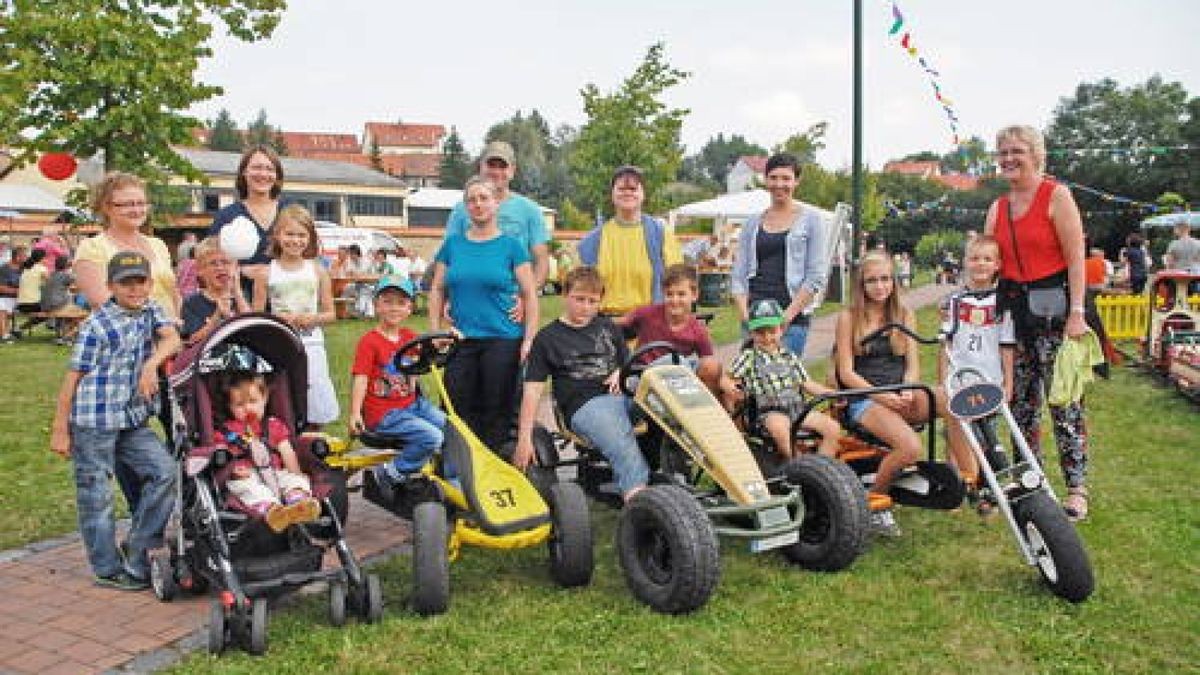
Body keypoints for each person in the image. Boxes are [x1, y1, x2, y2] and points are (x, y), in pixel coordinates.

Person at [49, 251, 180, 590]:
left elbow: (172, 338)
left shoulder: (151, 310)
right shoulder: (97, 325)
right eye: (126, 283)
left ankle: (139, 547)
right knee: (97, 495)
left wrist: (151, 366)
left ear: (150, 284)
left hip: (131, 418)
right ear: (110, 287)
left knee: (165, 472)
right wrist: (60, 429)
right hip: (94, 420)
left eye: (141, 281)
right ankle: (106, 568)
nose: (135, 289)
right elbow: (72, 379)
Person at [984, 124, 1092, 522]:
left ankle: (1077, 487)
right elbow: (988, 263)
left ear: (1035, 154)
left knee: (1065, 401)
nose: (1009, 159)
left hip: (1055, 311)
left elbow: (1076, 256)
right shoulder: (997, 207)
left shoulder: (1056, 195)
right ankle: (1030, 478)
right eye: (1003, 152)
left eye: (1016, 151)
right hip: (1013, 313)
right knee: (1018, 402)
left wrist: (1077, 313)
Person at [514, 266, 647, 501]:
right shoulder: (547, 339)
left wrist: (620, 371)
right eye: (579, 299)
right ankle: (639, 501)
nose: (586, 307)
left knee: (674, 366)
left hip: (627, 394)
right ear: (564, 295)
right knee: (619, 435)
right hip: (587, 405)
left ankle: (697, 470)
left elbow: (630, 364)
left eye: (592, 301)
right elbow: (533, 392)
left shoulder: (607, 327)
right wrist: (524, 438)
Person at [429, 176, 539, 450]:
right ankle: (457, 472)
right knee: (456, 410)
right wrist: (435, 331)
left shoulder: (512, 246)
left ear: (495, 203)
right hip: (460, 340)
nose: (477, 204)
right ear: (466, 207)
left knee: (496, 412)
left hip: (502, 339)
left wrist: (529, 339)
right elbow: (437, 289)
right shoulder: (453, 245)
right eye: (471, 200)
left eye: (483, 198)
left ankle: (493, 474)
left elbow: (530, 294)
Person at [834, 250, 927, 536]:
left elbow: (912, 366)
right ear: (861, 286)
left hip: (899, 393)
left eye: (885, 279)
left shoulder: (904, 315)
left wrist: (909, 388)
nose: (880, 286)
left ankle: (969, 477)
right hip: (865, 398)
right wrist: (879, 395)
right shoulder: (849, 318)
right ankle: (875, 503)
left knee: (951, 399)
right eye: (872, 281)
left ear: (894, 281)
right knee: (910, 448)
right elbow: (846, 373)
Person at [937, 236, 1016, 509]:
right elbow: (945, 344)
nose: (980, 264)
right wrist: (942, 381)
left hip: (989, 380)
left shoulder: (1003, 303)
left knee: (985, 437)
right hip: (960, 381)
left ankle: (983, 490)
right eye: (974, 258)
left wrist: (1008, 381)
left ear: (997, 265)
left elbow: (1007, 345)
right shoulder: (953, 302)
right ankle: (953, 489)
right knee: (956, 433)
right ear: (965, 263)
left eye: (987, 259)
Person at [351, 275, 447, 490]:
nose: (394, 308)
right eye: (388, 301)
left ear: (409, 308)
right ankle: (389, 473)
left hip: (412, 405)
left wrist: (447, 339)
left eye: (401, 303)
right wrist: (355, 413)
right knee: (432, 437)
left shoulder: (409, 336)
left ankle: (452, 480)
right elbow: (361, 378)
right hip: (384, 414)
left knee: (453, 430)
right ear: (376, 306)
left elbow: (429, 350)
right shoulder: (369, 342)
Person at [731, 153, 830, 357]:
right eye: (774, 177)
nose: (779, 184)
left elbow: (815, 276)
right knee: (752, 379)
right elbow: (738, 275)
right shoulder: (752, 223)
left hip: (790, 317)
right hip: (755, 316)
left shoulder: (811, 220)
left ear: (796, 182)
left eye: (786, 178)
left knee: (783, 379)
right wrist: (745, 315)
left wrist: (786, 317)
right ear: (766, 180)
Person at [210, 350, 321, 533]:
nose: (247, 408)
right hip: (248, 475)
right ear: (230, 407)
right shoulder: (227, 430)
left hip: (276, 472)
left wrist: (297, 472)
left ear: (265, 399)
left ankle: (298, 503)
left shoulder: (273, 425)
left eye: (253, 401)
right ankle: (273, 511)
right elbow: (221, 452)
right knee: (249, 489)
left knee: (295, 480)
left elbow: (287, 451)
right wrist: (232, 469)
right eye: (239, 404)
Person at [252, 204, 339, 429]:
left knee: (312, 394)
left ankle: (311, 439)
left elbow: (331, 313)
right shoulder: (266, 273)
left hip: (311, 343)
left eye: (301, 235)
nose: (295, 241)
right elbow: (256, 317)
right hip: (279, 344)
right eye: (289, 234)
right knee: (283, 394)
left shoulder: (317, 270)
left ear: (310, 238)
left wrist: (313, 318)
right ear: (278, 235)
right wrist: (277, 320)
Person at [730, 298, 844, 459]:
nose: (767, 338)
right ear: (751, 332)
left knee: (832, 428)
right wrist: (735, 390)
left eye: (772, 331)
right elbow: (731, 380)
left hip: (797, 409)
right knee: (780, 430)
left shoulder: (789, 356)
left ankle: (821, 468)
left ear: (781, 329)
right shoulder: (748, 357)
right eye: (760, 333)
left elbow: (807, 384)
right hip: (768, 412)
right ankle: (798, 465)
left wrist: (832, 394)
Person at [618, 263, 736, 408]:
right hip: (644, 374)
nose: (675, 300)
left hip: (675, 378)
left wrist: (726, 384)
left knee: (711, 366)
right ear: (663, 294)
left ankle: (706, 410)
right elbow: (616, 326)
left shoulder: (697, 330)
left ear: (694, 295)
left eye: (681, 294)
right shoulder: (646, 314)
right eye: (669, 294)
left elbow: (709, 363)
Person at [578, 165, 682, 316]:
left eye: (633, 189)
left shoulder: (661, 235)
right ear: (612, 194)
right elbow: (579, 291)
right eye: (621, 188)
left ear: (643, 194)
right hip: (604, 325)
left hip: (650, 325)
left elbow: (677, 284)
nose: (627, 193)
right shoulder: (592, 241)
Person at [444, 140, 550, 288]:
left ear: (512, 171)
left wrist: (526, 297)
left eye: (502, 166)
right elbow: (449, 258)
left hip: (513, 303)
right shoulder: (461, 210)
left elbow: (541, 261)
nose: (496, 171)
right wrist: (449, 298)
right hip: (469, 297)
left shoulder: (530, 210)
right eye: (491, 165)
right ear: (481, 167)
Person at [75, 172, 181, 318]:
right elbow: (102, 303)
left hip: (170, 335)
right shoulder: (93, 248)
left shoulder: (158, 245)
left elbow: (173, 294)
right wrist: (160, 327)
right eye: (127, 204)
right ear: (107, 207)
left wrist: (177, 327)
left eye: (141, 203)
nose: (137, 210)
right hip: (125, 335)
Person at [208, 146, 286, 300]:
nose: (263, 174)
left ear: (277, 175)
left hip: (287, 302)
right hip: (240, 302)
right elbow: (209, 263)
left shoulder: (290, 212)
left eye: (269, 169)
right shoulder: (226, 217)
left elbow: (309, 258)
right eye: (256, 167)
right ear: (244, 172)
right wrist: (243, 270)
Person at [180, 237, 251, 344]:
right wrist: (217, 316)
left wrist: (237, 292)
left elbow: (252, 327)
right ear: (200, 270)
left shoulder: (241, 297)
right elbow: (192, 339)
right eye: (213, 263)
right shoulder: (191, 303)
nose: (220, 268)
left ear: (236, 267)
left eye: (226, 262)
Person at [15, 247, 48, 334]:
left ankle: (20, 328)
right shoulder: (42, 269)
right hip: (33, 304)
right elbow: (50, 284)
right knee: (51, 311)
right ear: (42, 258)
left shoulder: (25, 268)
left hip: (21, 304)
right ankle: (20, 328)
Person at [0, 245, 25, 343]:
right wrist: (16, 291)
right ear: (17, 257)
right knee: (3, 309)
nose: (25, 258)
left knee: (6, 311)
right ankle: (4, 335)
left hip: (19, 298)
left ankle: (6, 333)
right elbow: (1, 288)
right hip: (5, 296)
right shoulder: (4, 269)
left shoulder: (23, 267)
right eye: (24, 256)